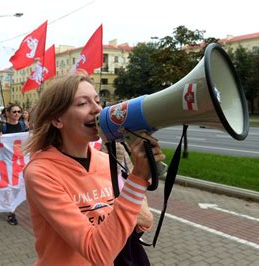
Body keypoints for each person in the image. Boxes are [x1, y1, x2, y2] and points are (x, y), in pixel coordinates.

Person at [23, 73, 165, 265]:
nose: (98, 109)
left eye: (97, 101)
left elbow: (142, 223)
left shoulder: (106, 160)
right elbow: (96, 252)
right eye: (83, 103)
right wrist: (138, 179)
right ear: (57, 120)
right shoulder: (40, 173)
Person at [1, 103, 28, 225]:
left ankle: (13, 205)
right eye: (14, 112)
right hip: (8, 160)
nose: (17, 114)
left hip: (21, 160)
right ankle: (11, 212)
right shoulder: (3, 127)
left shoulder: (24, 126)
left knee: (21, 184)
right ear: (8, 113)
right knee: (10, 186)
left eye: (18, 112)